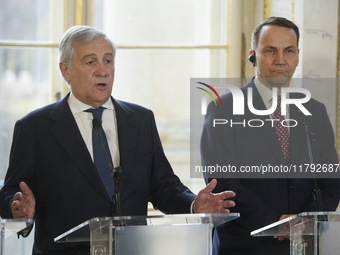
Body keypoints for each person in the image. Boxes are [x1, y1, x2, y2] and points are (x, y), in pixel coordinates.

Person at [0, 26, 236, 255]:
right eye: (91, 62)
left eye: (108, 60)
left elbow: (164, 187)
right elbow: (10, 193)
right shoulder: (34, 128)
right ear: (66, 71)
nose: (103, 70)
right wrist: (17, 208)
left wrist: (194, 204)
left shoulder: (141, 120)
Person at [200, 17, 339, 255]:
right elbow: (222, 182)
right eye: (270, 51)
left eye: (288, 51)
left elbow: (330, 181)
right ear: (253, 56)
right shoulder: (223, 109)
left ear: (297, 56)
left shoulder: (314, 111)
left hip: (302, 246)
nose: (281, 60)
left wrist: (303, 223)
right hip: (245, 245)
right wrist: (277, 223)